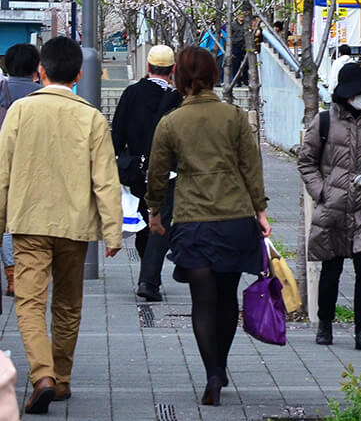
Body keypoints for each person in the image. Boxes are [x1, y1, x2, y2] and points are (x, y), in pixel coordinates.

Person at [0, 35, 123, 414]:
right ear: (79, 74)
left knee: (30, 303)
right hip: (74, 227)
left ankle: (43, 376)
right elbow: (106, 178)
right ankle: (63, 379)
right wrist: (113, 230)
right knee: (68, 306)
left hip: (30, 222)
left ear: (41, 71)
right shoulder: (91, 117)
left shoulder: (20, 111)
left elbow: (2, 171)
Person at [146, 46, 269, 407]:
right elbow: (251, 166)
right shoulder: (233, 116)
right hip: (234, 217)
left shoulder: (170, 123)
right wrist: (260, 212)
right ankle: (222, 363)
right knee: (227, 298)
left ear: (179, 78)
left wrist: (154, 211)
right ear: (215, 75)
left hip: (192, 219)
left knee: (202, 302)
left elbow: (156, 173)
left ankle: (212, 372)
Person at [298, 62, 361, 353]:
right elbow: (306, 161)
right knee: (331, 272)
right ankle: (325, 322)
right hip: (333, 209)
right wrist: (322, 193)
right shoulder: (325, 121)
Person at [110, 44, 182, 302]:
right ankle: (149, 279)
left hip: (134, 170)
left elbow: (116, 133)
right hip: (168, 172)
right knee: (160, 222)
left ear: (147, 67)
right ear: (173, 69)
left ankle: (147, 273)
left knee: (143, 221)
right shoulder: (178, 98)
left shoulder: (131, 93)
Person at [0, 42, 41, 297]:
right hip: (35, 167)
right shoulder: (43, 95)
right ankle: (28, 272)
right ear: (36, 67)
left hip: (4, 164)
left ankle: (12, 274)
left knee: (7, 223)